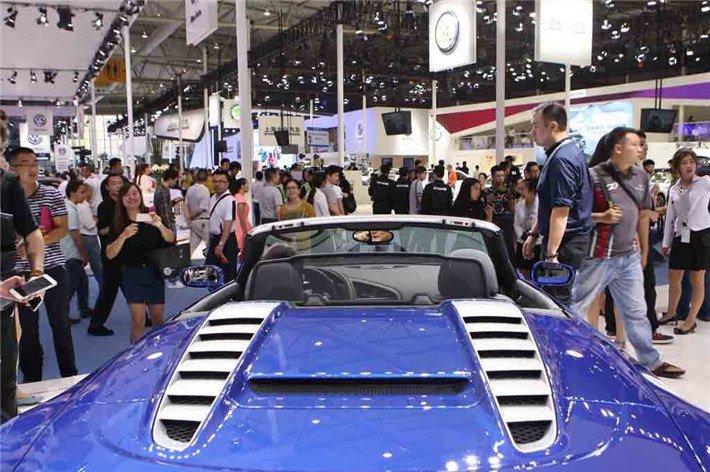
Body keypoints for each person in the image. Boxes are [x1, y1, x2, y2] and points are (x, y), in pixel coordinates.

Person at [570, 127, 684, 379]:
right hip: (598, 256)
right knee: (576, 306)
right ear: (618, 148)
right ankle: (566, 354)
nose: (640, 149)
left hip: (628, 256)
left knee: (636, 311)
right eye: (635, 144)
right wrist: (601, 216)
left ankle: (650, 361)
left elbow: (643, 215)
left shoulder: (641, 176)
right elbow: (574, 215)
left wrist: (643, 248)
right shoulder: (593, 176)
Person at [7, 147, 78, 383]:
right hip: (19, 273)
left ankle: (70, 377)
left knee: (61, 326)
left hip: (52, 269)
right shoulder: (6, 196)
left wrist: (34, 241)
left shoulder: (51, 194)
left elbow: (62, 228)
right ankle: (32, 380)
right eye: (25, 163)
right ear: (12, 168)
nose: (33, 168)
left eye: (35, 162)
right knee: (27, 331)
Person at [522, 102, 593, 304]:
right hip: (564, 242)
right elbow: (550, 204)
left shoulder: (562, 159)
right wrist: (534, 234)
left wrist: (552, 255)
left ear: (552, 126)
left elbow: (561, 211)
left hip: (566, 246)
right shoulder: (562, 153)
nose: (532, 131)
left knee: (558, 303)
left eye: (536, 126)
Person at [0, 151, 45, 421]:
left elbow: (31, 230)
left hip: (4, 292)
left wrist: (37, 272)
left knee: (5, 376)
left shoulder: (8, 184)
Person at [106, 183, 175, 343]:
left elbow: (171, 239)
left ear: (140, 195)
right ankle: (135, 355)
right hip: (132, 274)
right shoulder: (118, 223)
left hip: (154, 273)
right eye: (127, 195)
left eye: (134, 193)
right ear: (121, 200)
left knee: (158, 320)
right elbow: (110, 253)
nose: (131, 197)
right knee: (138, 321)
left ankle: (159, 350)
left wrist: (159, 225)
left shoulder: (152, 217)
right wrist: (124, 235)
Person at [659, 148, 710, 335]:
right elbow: (670, 218)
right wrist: (666, 243)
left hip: (701, 235)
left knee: (697, 279)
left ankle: (690, 320)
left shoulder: (705, 182)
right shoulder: (674, 189)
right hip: (681, 235)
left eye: (692, 162)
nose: (689, 166)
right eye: (684, 162)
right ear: (677, 167)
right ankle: (671, 312)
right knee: (674, 277)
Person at [90, 172, 124, 336]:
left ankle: (143, 315)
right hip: (111, 255)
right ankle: (95, 324)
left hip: (129, 254)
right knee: (108, 291)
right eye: (114, 183)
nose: (117, 186)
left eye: (120, 183)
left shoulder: (126, 202)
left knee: (133, 286)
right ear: (107, 187)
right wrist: (120, 228)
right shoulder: (104, 206)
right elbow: (101, 231)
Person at [61, 181, 92, 322]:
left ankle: (84, 308)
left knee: (82, 281)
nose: (84, 195)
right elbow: (76, 236)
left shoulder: (67, 206)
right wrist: (84, 254)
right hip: (71, 253)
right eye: (81, 192)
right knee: (71, 285)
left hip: (68, 252)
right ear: (72, 193)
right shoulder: (71, 211)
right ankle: (63, 315)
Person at [205, 170, 238, 282]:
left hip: (226, 241)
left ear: (227, 183)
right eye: (215, 181)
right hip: (214, 240)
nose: (217, 184)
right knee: (211, 274)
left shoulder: (230, 200)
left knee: (228, 275)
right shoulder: (213, 197)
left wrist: (221, 244)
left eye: (221, 181)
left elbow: (228, 223)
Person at [484, 165, 517, 257]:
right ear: (493, 177)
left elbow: (513, 208)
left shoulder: (509, 190)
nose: (501, 178)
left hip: (507, 222)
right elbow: (487, 207)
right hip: (494, 221)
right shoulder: (487, 191)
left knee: (508, 248)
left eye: (502, 176)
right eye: (498, 176)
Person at [76, 186, 102, 291]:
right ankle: (103, 286)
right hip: (89, 237)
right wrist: (95, 220)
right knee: (97, 265)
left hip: (83, 236)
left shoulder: (77, 205)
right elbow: (89, 224)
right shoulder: (83, 205)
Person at [513, 179, 540, 276]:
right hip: (522, 240)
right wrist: (523, 235)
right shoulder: (519, 205)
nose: (521, 192)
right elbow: (516, 224)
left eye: (523, 189)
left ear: (531, 191)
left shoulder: (540, 205)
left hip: (537, 242)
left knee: (536, 270)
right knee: (522, 270)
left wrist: (532, 235)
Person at [185, 169, 211, 256]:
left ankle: (183, 261)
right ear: (207, 178)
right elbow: (203, 208)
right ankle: (210, 262)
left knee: (191, 247)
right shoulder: (205, 190)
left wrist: (188, 217)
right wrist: (191, 215)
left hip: (194, 222)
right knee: (210, 245)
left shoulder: (190, 189)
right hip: (203, 221)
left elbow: (186, 204)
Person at [153, 168, 179, 234]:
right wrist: (169, 231)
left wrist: (174, 201)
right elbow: (165, 214)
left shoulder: (162, 189)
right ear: (170, 179)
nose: (175, 183)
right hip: (167, 225)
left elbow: (165, 206)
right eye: (175, 181)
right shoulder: (163, 191)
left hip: (164, 224)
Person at [232, 178, 252, 260]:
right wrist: (245, 232)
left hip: (238, 226)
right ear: (242, 186)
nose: (248, 186)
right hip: (241, 228)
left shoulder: (236, 197)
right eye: (246, 184)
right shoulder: (240, 199)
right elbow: (241, 217)